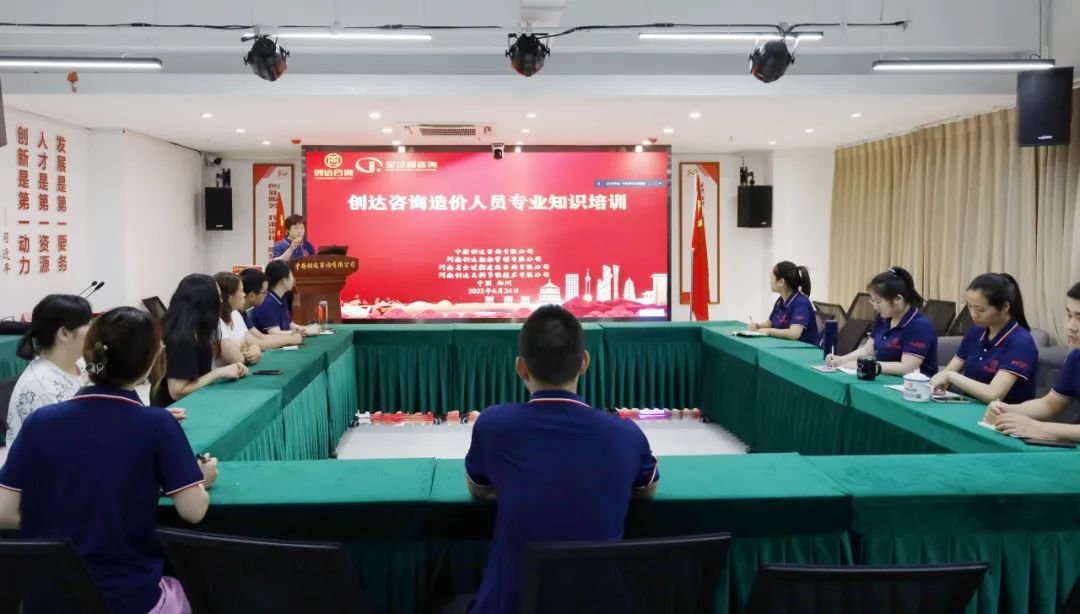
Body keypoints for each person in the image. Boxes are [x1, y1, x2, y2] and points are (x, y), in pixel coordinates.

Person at [0, 307, 218, 614]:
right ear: (151, 361)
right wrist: (201, 478)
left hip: (46, 601)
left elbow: (5, 512)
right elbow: (193, 510)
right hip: (128, 600)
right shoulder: (157, 424)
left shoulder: (40, 421)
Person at [459, 305, 659, 614]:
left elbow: (478, 489)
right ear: (585, 362)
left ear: (520, 368)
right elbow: (646, 489)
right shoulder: (625, 434)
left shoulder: (494, 425)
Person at [985, 282, 1080, 441]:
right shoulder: (1075, 358)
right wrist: (1008, 410)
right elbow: (1049, 405)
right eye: (1070, 315)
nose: (1071, 326)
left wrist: (1041, 428)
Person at [931, 273, 1037, 404]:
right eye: (969, 306)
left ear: (1005, 307)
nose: (973, 314)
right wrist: (940, 382)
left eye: (980, 310)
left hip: (1003, 413)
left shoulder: (1021, 342)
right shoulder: (976, 332)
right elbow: (949, 372)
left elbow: (993, 394)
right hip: (969, 405)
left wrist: (950, 376)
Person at [6, 294, 91, 446]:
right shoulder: (43, 390)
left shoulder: (80, 363)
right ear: (64, 333)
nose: (94, 330)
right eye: (87, 323)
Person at [154, 274, 248, 407]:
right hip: (175, 409)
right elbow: (177, 392)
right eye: (218, 297)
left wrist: (225, 371)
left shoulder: (199, 330)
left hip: (196, 401)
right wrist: (219, 373)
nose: (221, 301)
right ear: (205, 302)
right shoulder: (181, 338)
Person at [827, 266, 939, 376]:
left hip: (913, 385)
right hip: (885, 379)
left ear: (898, 299)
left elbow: (907, 368)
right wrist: (841, 360)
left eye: (878, 302)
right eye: (872, 301)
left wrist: (870, 366)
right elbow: (867, 350)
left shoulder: (919, 326)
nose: (875, 306)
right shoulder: (884, 318)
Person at [748, 261, 820, 345]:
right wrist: (758, 326)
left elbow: (794, 334)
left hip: (806, 349)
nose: (770, 281)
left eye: (771, 278)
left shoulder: (801, 303)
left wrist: (767, 331)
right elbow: (770, 323)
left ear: (781, 282)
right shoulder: (780, 300)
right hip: (788, 346)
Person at [239, 268, 304, 349]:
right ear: (252, 296)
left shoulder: (242, 313)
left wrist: (291, 337)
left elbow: (261, 337)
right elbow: (260, 343)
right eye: (265, 292)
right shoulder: (235, 313)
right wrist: (289, 340)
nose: (267, 295)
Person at [250, 261, 319, 336]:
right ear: (283, 281)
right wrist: (306, 331)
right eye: (291, 276)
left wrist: (308, 328)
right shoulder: (267, 302)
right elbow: (275, 334)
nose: (293, 279)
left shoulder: (281, 298)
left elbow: (291, 326)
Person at [212, 272, 262, 368]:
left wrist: (254, 351)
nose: (244, 294)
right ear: (229, 296)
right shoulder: (216, 321)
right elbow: (236, 359)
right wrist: (246, 351)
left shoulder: (235, 313)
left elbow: (253, 343)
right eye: (241, 291)